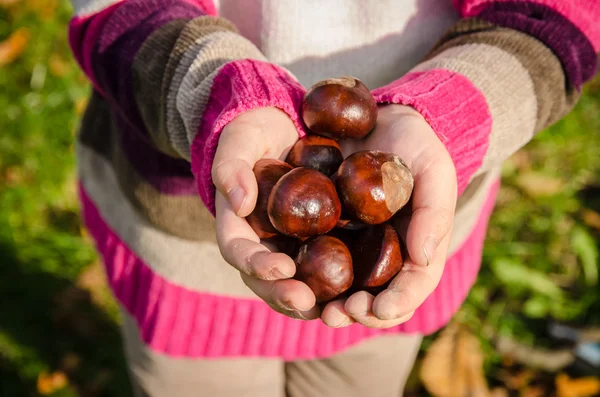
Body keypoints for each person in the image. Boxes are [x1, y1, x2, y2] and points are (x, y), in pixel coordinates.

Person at [67, 0, 600, 395]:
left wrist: (451, 111)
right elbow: (119, 11)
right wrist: (210, 88)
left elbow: (558, 19)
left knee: (359, 376)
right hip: (182, 231)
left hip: (424, 206)